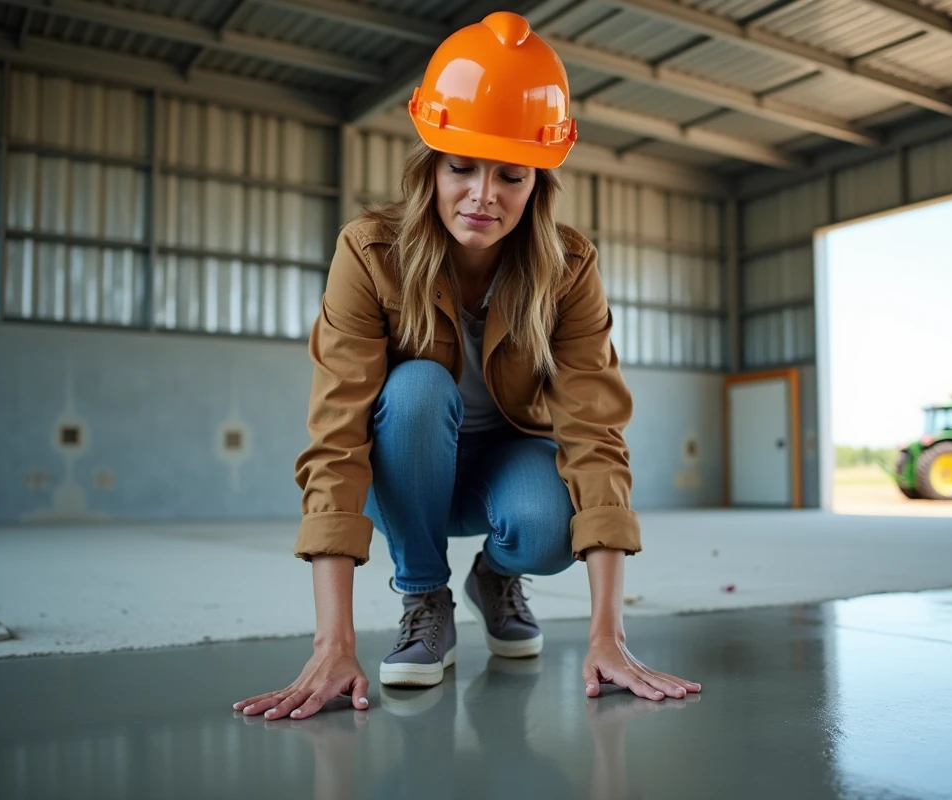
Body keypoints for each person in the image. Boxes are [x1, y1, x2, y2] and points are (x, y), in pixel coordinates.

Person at [234, 10, 700, 722]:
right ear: (431, 165)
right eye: (461, 168)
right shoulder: (368, 253)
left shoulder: (570, 268)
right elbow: (337, 435)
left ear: (538, 181)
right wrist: (334, 641)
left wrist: (610, 635)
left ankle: (495, 577)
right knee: (417, 388)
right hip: (406, 472)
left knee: (548, 524)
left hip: (504, 467)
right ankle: (425, 597)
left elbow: (594, 432)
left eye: (511, 176)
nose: (484, 196)